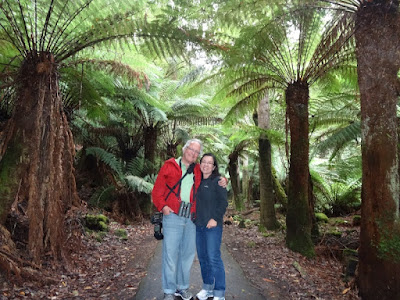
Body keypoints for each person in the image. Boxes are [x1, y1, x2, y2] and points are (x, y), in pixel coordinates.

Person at [152, 139, 227, 300]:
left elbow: (212, 174)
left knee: (187, 255)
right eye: (191, 149)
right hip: (172, 215)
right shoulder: (169, 165)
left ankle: (182, 288)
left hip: (191, 218)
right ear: (184, 149)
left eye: (196, 152)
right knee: (171, 255)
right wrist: (163, 207)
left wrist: (224, 180)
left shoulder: (199, 169)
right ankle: (169, 291)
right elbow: (157, 191)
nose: (193, 153)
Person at [195, 153, 228, 300]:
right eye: (204, 162)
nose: (206, 165)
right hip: (199, 225)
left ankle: (219, 293)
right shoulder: (196, 180)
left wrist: (215, 218)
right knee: (203, 258)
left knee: (213, 257)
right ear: (200, 163)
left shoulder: (218, 181)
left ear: (214, 167)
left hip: (213, 226)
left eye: (210, 163)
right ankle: (207, 288)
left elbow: (223, 203)